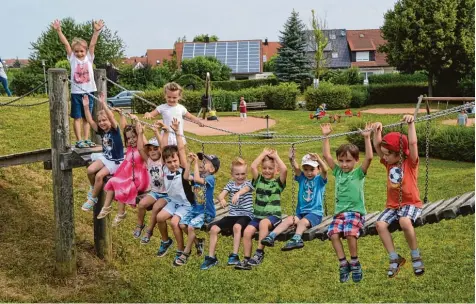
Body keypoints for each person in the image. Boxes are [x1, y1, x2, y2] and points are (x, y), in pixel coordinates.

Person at [372, 116, 425, 278]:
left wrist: (411, 124)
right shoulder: (389, 163)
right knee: (380, 225)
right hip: (393, 205)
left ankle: (416, 255)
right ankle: (394, 258)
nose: (384, 156)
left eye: (388, 154)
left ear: (399, 154)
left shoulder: (410, 163)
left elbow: (413, 144)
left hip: (411, 203)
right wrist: (378, 130)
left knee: (404, 221)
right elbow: (377, 145)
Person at [321, 122, 373, 283]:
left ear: (356, 160)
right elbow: (327, 157)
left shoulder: (358, 173)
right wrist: (325, 136)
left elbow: (370, 157)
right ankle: (343, 263)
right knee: (333, 234)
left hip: (355, 213)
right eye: (341, 160)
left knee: (350, 233)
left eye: (348, 161)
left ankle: (355, 262)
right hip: (339, 214)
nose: (344, 164)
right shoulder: (338, 172)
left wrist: (366, 138)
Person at [261, 149, 327, 251]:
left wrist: (318, 159)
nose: (308, 173)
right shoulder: (302, 178)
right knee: (288, 220)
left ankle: (296, 239)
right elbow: (296, 168)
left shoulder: (319, 180)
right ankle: (271, 236)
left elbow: (325, 170)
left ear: (318, 169)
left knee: (302, 223)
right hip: (300, 212)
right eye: (306, 169)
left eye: (312, 169)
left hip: (315, 213)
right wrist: (291, 158)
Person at [52, 19, 103, 149]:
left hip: (89, 91)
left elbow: (92, 44)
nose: (79, 53)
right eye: (77, 51)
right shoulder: (72, 58)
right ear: (73, 52)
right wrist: (59, 31)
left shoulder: (89, 57)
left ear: (85, 51)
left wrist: (96, 32)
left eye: (82, 51)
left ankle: (86, 139)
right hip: (76, 93)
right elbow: (66, 44)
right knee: (77, 117)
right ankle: (79, 140)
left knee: (87, 118)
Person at [235, 148, 287, 270]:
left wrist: (276, 157)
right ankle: (247, 260)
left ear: (276, 170)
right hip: (257, 216)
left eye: (270, 168)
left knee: (264, 223)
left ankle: (259, 253)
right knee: (247, 232)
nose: (267, 171)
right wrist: (263, 154)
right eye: (264, 168)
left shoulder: (278, 183)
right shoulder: (258, 180)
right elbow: (253, 167)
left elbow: (284, 169)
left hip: (273, 217)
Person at [200, 157, 254, 270]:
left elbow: (246, 189)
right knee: (214, 228)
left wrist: (238, 193)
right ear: (232, 174)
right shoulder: (230, 184)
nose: (240, 177)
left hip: (246, 215)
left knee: (237, 226)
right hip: (232, 215)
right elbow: (221, 195)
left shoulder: (249, 183)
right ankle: (211, 258)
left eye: (243, 174)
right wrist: (222, 199)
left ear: (246, 174)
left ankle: (234, 255)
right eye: (237, 174)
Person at [96, 115, 150, 225]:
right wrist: (121, 114)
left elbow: (141, 137)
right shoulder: (130, 148)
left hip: (140, 178)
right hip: (130, 175)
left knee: (122, 185)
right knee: (113, 181)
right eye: (129, 138)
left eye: (134, 137)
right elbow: (124, 127)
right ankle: (106, 207)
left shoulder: (143, 148)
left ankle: (121, 212)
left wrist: (137, 121)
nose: (131, 140)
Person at [155, 118, 194, 260]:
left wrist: (177, 132)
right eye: (169, 162)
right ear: (165, 162)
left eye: (174, 161)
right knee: (159, 217)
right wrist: (163, 131)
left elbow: (181, 150)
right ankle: (166, 241)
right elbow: (163, 147)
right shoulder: (165, 168)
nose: (172, 164)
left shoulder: (183, 169)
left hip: (186, 204)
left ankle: (180, 249)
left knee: (173, 222)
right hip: (173, 201)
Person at [174, 152, 219, 266]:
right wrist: (189, 162)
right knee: (182, 225)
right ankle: (198, 242)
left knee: (190, 226)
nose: (202, 163)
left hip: (206, 212)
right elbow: (185, 177)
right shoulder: (198, 174)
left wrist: (196, 162)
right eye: (202, 160)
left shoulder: (210, 178)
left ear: (212, 169)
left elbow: (198, 179)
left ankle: (186, 253)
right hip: (195, 209)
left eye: (205, 162)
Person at [81, 93, 124, 212]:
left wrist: (103, 104)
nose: (102, 123)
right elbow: (90, 120)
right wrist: (86, 106)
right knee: (90, 170)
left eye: (104, 120)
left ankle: (93, 198)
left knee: (99, 175)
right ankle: (93, 187)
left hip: (115, 161)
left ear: (109, 121)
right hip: (106, 157)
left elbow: (111, 117)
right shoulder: (102, 131)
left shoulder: (115, 130)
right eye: (100, 121)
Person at [133, 123, 168, 244]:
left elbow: (164, 148)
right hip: (154, 192)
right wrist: (140, 133)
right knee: (142, 204)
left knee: (156, 208)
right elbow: (139, 149)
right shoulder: (148, 161)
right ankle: (140, 225)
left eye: (155, 148)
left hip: (165, 194)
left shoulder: (163, 160)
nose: (152, 151)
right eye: (150, 149)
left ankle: (149, 231)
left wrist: (156, 133)